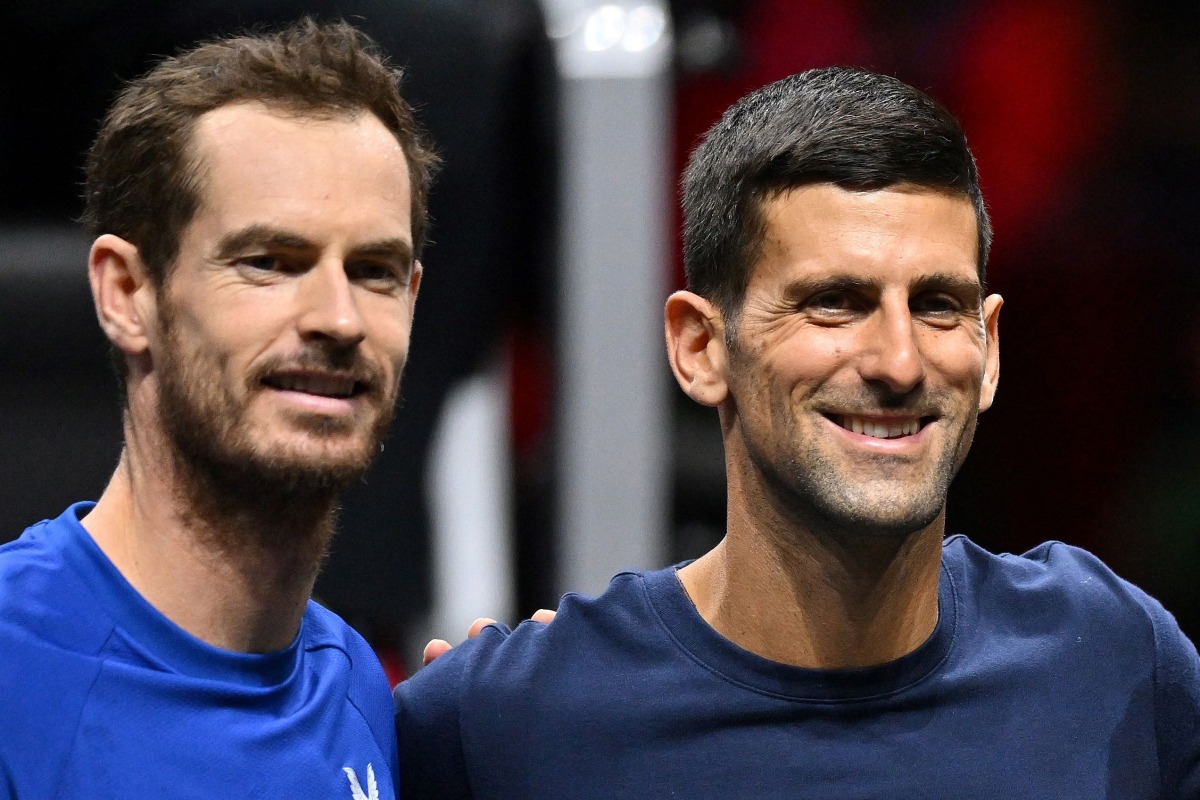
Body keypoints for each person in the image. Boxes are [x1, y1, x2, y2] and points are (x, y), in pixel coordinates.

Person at [395, 67, 1200, 798]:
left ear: (989, 349)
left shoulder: (1116, 659)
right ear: (701, 348)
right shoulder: (506, 721)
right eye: (835, 302)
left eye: (938, 305)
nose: (899, 360)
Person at [0, 19, 437, 799]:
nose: (338, 319)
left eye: (373, 270)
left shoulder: (358, 688)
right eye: (270, 262)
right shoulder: (12, 670)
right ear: (128, 294)